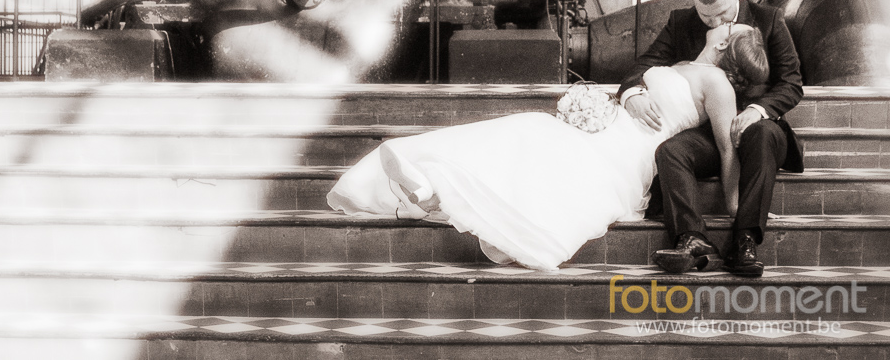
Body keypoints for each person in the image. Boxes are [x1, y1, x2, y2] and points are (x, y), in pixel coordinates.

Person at [328, 24, 767, 273]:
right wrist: (624, 97)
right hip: (601, 128)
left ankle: (438, 191)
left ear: (723, 43)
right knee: (528, 128)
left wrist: (734, 206)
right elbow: (636, 81)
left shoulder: (717, 83)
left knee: (535, 140)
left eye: (732, 25)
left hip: (626, 152)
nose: (727, 21)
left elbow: (727, 148)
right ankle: (431, 185)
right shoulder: (685, 64)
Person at [618, 0, 803, 276]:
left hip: (758, 125)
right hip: (707, 132)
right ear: (694, 2)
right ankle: (692, 239)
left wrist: (756, 110)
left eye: (723, 14)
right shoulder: (680, 22)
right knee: (671, 151)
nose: (716, 23)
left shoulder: (769, 19)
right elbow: (643, 66)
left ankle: (745, 239)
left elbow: (792, 83)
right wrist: (633, 93)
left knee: (764, 135)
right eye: (706, 16)